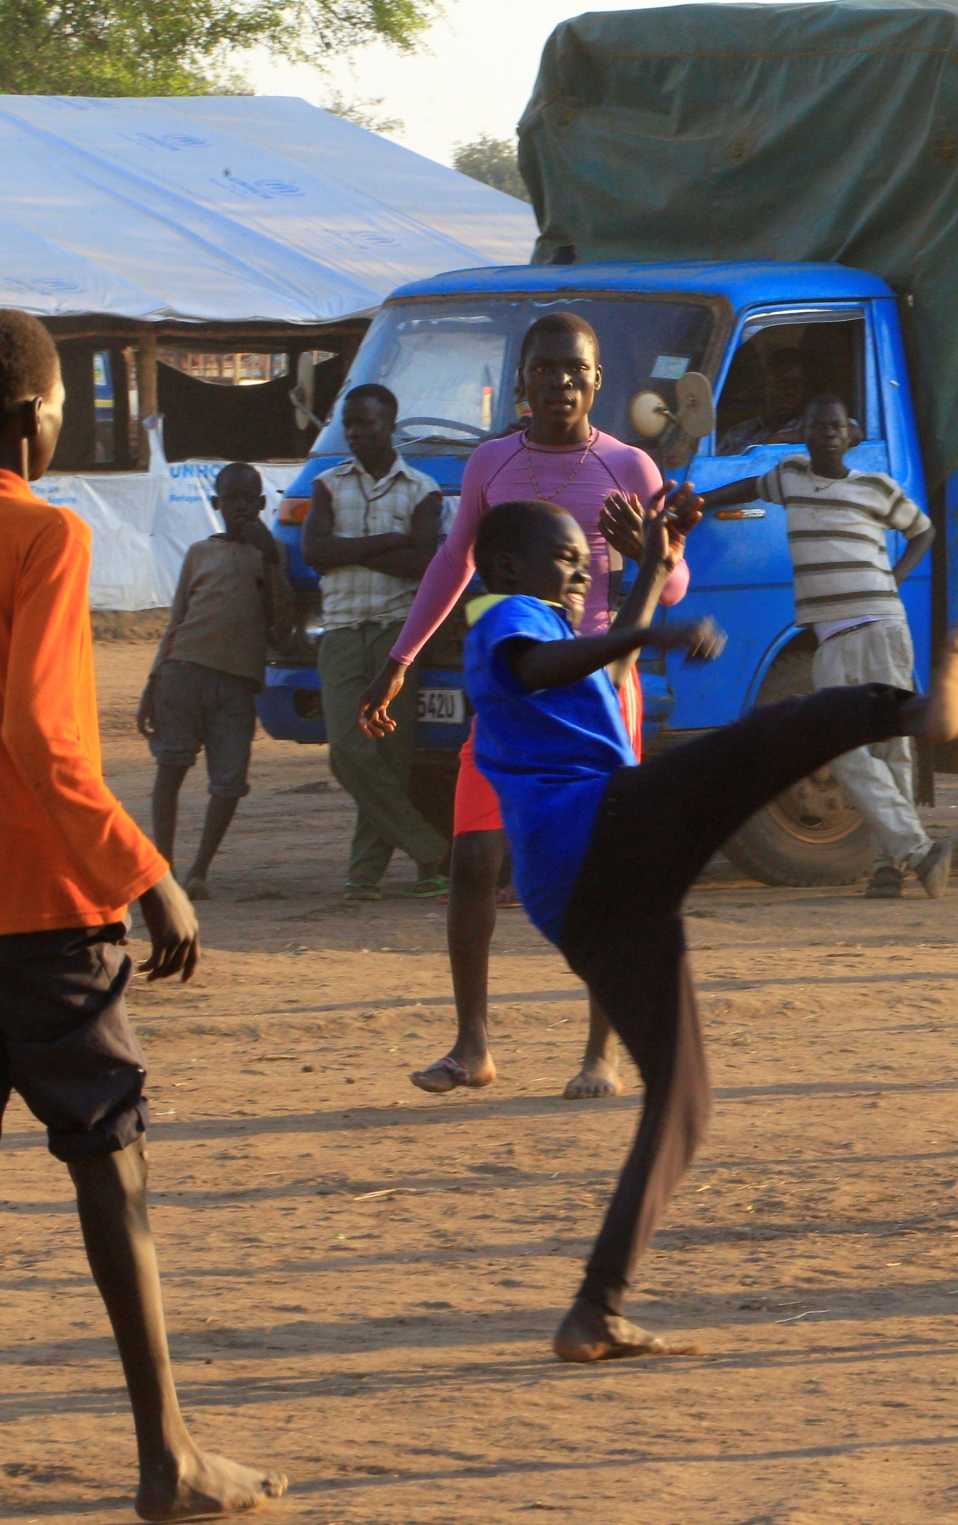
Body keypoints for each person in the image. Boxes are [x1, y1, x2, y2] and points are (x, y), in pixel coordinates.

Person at [459, 490, 958, 1359]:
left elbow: (590, 661)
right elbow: (537, 666)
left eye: (582, 564)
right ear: (503, 570)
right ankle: (915, 714)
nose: (576, 576)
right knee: (765, 741)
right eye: (563, 562)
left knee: (683, 1099)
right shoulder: (502, 619)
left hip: (588, 895)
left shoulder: (558, 631)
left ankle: (594, 1310)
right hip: (594, 826)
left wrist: (647, 572)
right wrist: (644, 631)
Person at [0, 307, 287, 1521]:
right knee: (111, 1167)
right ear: (34, 420)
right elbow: (41, 743)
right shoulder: (44, 537)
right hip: (40, 915)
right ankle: (168, 1458)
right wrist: (145, 871)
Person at [360, 311, 689, 1100]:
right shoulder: (490, 463)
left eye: (574, 370)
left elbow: (674, 585)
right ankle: (473, 1045)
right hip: (509, 689)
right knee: (474, 858)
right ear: (520, 382)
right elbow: (452, 563)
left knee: (600, 877)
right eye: (543, 369)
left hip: (601, 699)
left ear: (596, 381)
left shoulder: (630, 468)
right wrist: (400, 660)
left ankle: (601, 1055)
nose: (558, 382)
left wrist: (651, 553)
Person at [752, 394, 951, 896]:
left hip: (883, 627)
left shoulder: (875, 487)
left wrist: (895, 578)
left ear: (851, 433)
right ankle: (919, 850)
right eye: (819, 426)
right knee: (841, 749)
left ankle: (891, 869)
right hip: (831, 639)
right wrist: (694, 501)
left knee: (892, 751)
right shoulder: (790, 477)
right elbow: (742, 488)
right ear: (805, 431)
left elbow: (924, 531)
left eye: (837, 426)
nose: (828, 434)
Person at [304, 383, 449, 900]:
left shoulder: (422, 488)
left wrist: (353, 550)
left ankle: (365, 875)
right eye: (349, 424)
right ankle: (429, 847)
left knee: (390, 755)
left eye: (364, 423)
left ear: (390, 424)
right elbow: (314, 552)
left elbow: (424, 563)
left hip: (398, 633)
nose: (355, 433)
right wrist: (390, 542)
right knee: (346, 749)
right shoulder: (326, 483)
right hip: (342, 629)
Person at [137, 463, 292, 899]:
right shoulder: (199, 552)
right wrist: (152, 684)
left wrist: (272, 562)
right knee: (171, 768)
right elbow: (176, 620)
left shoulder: (272, 554)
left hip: (238, 683)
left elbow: (282, 629)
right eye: (232, 500)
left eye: (250, 500)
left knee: (228, 781)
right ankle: (162, 867)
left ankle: (200, 870)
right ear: (217, 504)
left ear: (262, 505)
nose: (241, 508)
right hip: (181, 673)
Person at [719, 344, 811, 453]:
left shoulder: (811, 429)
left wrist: (780, 437)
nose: (789, 391)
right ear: (764, 386)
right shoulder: (739, 433)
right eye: (780, 383)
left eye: (797, 384)